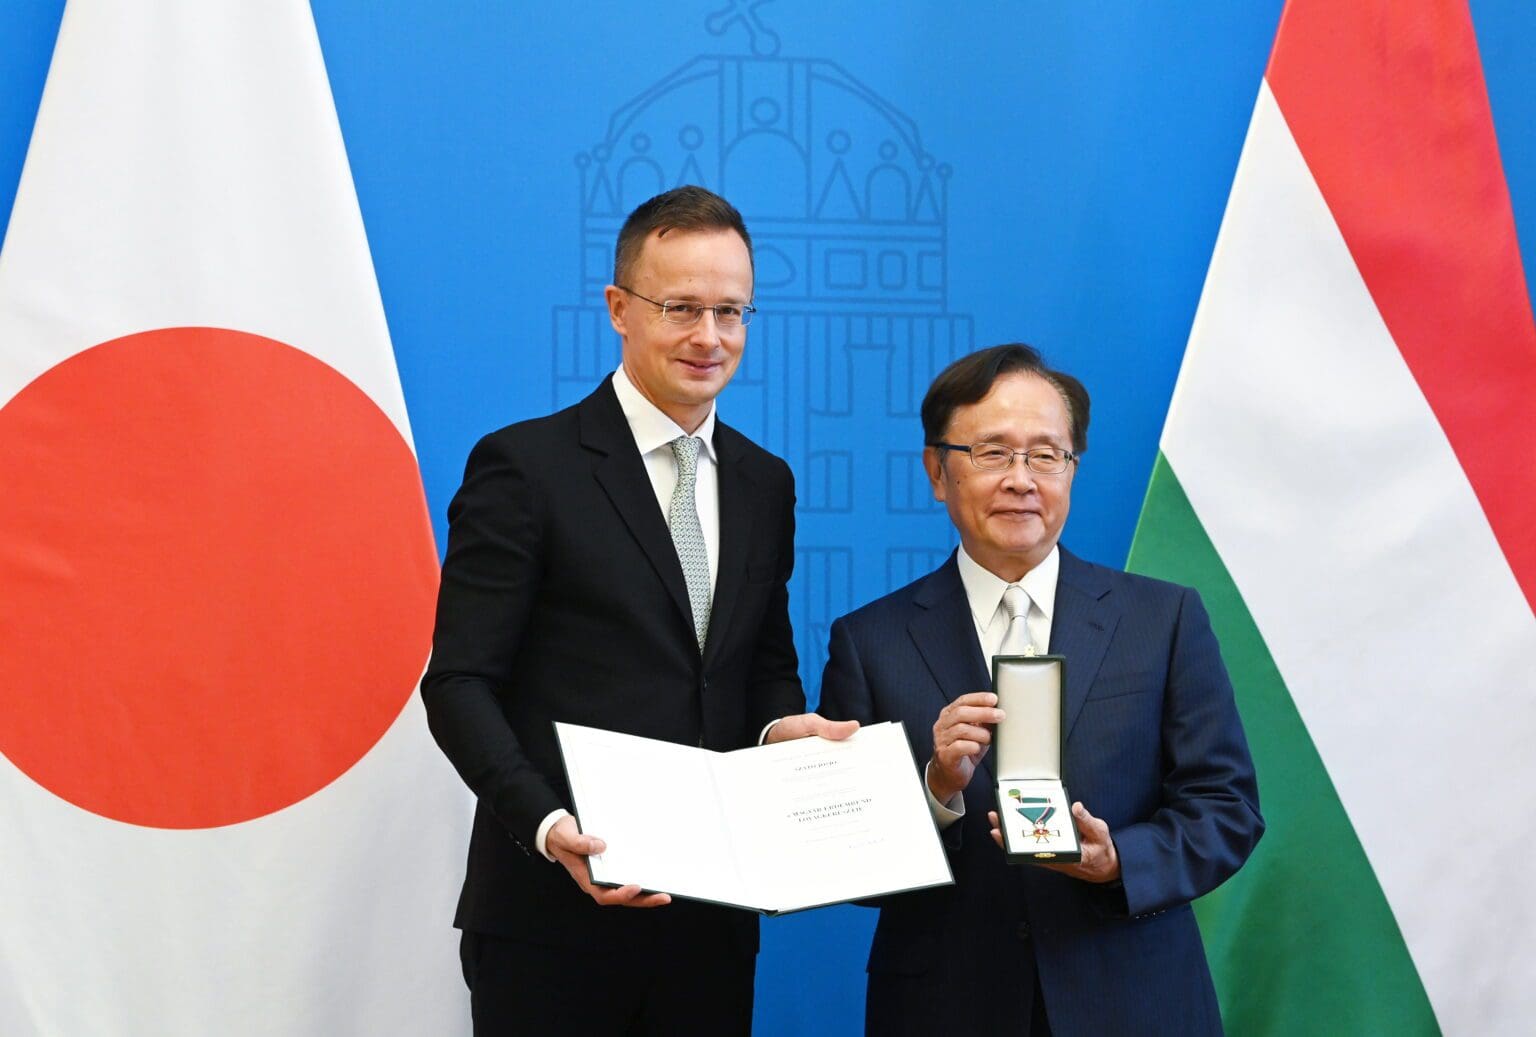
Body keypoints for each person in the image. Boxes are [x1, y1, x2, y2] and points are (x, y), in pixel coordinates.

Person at [421, 185, 854, 1036]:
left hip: (711, 926)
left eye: (730, 311)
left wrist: (781, 732)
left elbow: (762, 666)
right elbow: (459, 683)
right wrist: (548, 824)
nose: (709, 336)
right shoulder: (526, 467)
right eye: (680, 307)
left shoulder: (765, 483)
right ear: (620, 308)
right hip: (551, 922)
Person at [818, 344, 1263, 1035]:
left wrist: (1119, 860)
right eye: (992, 453)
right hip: (946, 1007)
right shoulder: (870, 641)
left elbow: (1226, 808)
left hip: (1133, 999)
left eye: (1046, 455)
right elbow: (846, 859)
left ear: (1072, 469)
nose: (1021, 480)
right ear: (938, 471)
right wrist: (936, 790)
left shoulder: (1164, 619)